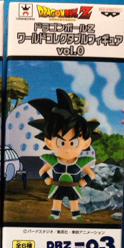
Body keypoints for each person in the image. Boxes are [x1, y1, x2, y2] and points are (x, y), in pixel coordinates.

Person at [28, 89, 101, 221]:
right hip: (58, 186)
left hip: (74, 187)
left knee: (74, 200)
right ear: (49, 142)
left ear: (86, 143)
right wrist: (46, 178)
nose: (67, 149)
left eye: (73, 143)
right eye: (61, 143)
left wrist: (84, 181)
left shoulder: (80, 162)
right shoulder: (54, 161)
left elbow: (91, 174)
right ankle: (55, 213)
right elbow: (42, 171)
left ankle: (76, 214)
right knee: (57, 200)